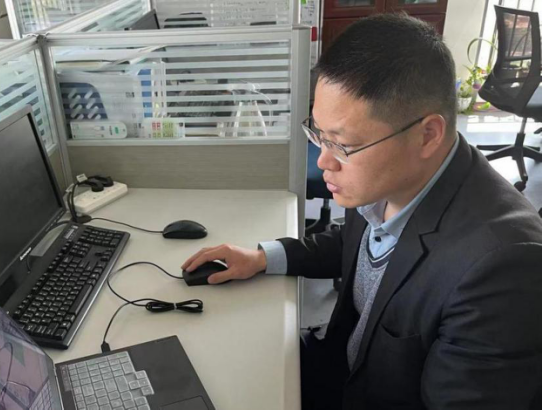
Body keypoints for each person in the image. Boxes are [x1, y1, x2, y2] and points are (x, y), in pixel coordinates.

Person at [182, 13, 542, 410]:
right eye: (319, 135)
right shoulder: (389, 178)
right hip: (340, 362)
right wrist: (263, 257)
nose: (324, 161)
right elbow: (358, 241)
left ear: (427, 135)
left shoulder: (503, 266)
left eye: (342, 145)